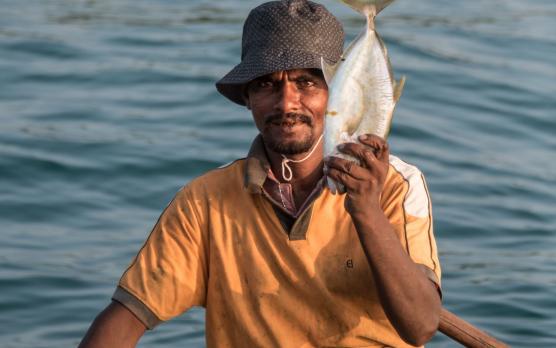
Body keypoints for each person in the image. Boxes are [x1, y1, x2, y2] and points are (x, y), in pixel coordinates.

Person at [79, 0, 441, 347]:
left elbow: (421, 325)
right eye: (267, 84)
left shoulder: (395, 185)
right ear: (248, 98)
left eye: (306, 82)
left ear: (338, 92)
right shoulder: (204, 201)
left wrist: (365, 209)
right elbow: (125, 317)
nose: (287, 103)